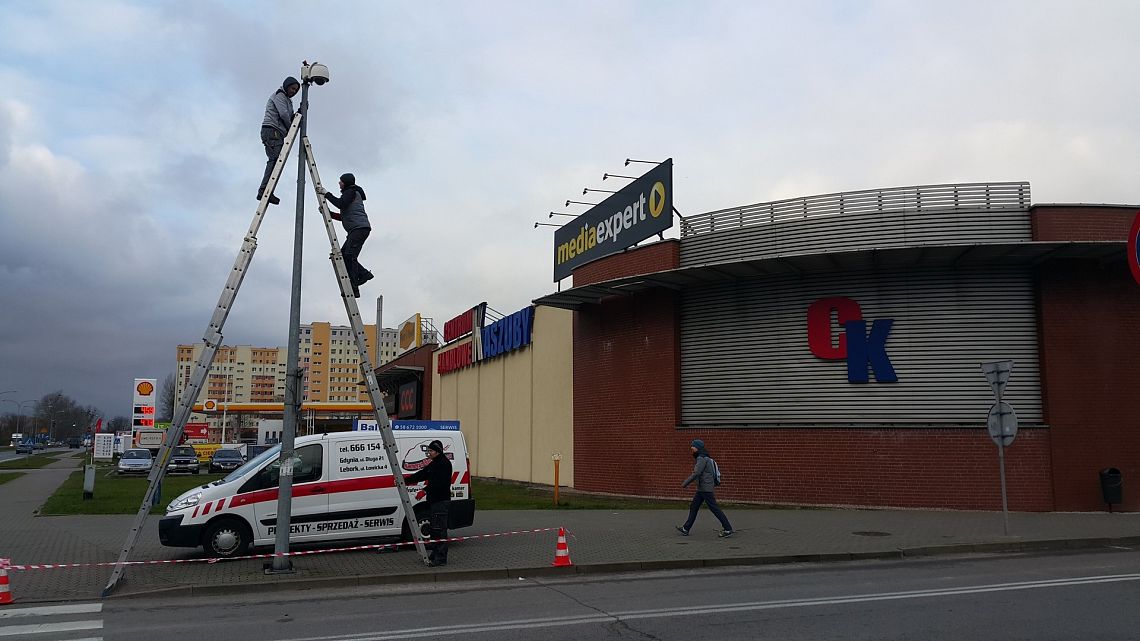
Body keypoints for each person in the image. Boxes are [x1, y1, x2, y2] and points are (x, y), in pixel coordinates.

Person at [317, 173, 373, 298]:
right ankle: (363, 275)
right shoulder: (351, 194)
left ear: (346, 182)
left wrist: (326, 194)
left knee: (349, 257)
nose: (339, 183)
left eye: (341, 181)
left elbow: (340, 204)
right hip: (357, 229)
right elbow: (345, 216)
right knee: (344, 256)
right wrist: (329, 214)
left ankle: (354, 287)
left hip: (359, 229)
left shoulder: (350, 192)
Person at [403, 439, 453, 566]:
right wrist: (406, 480)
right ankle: (435, 554)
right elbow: (423, 474)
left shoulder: (444, 464)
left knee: (439, 530)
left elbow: (439, 483)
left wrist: (424, 491)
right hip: (434, 502)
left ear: (437, 451)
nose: (429, 453)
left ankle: (441, 558)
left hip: (441, 501)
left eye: (431, 451)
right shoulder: (434, 463)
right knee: (434, 530)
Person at [676, 439, 734, 537]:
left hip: (705, 488)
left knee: (714, 508)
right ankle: (686, 528)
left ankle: (728, 529)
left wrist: (685, 483)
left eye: (693, 446)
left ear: (697, 448)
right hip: (703, 488)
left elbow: (697, 473)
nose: (691, 448)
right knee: (694, 506)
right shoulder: (706, 457)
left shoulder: (701, 458)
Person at [257, 76, 301, 205]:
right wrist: (291, 126)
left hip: (277, 132)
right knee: (275, 159)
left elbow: (288, 116)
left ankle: (268, 190)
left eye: (296, 90)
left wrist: (297, 115)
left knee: (276, 161)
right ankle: (264, 190)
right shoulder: (280, 95)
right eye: (292, 88)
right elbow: (283, 114)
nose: (293, 91)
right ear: (286, 86)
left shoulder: (287, 100)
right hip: (272, 130)